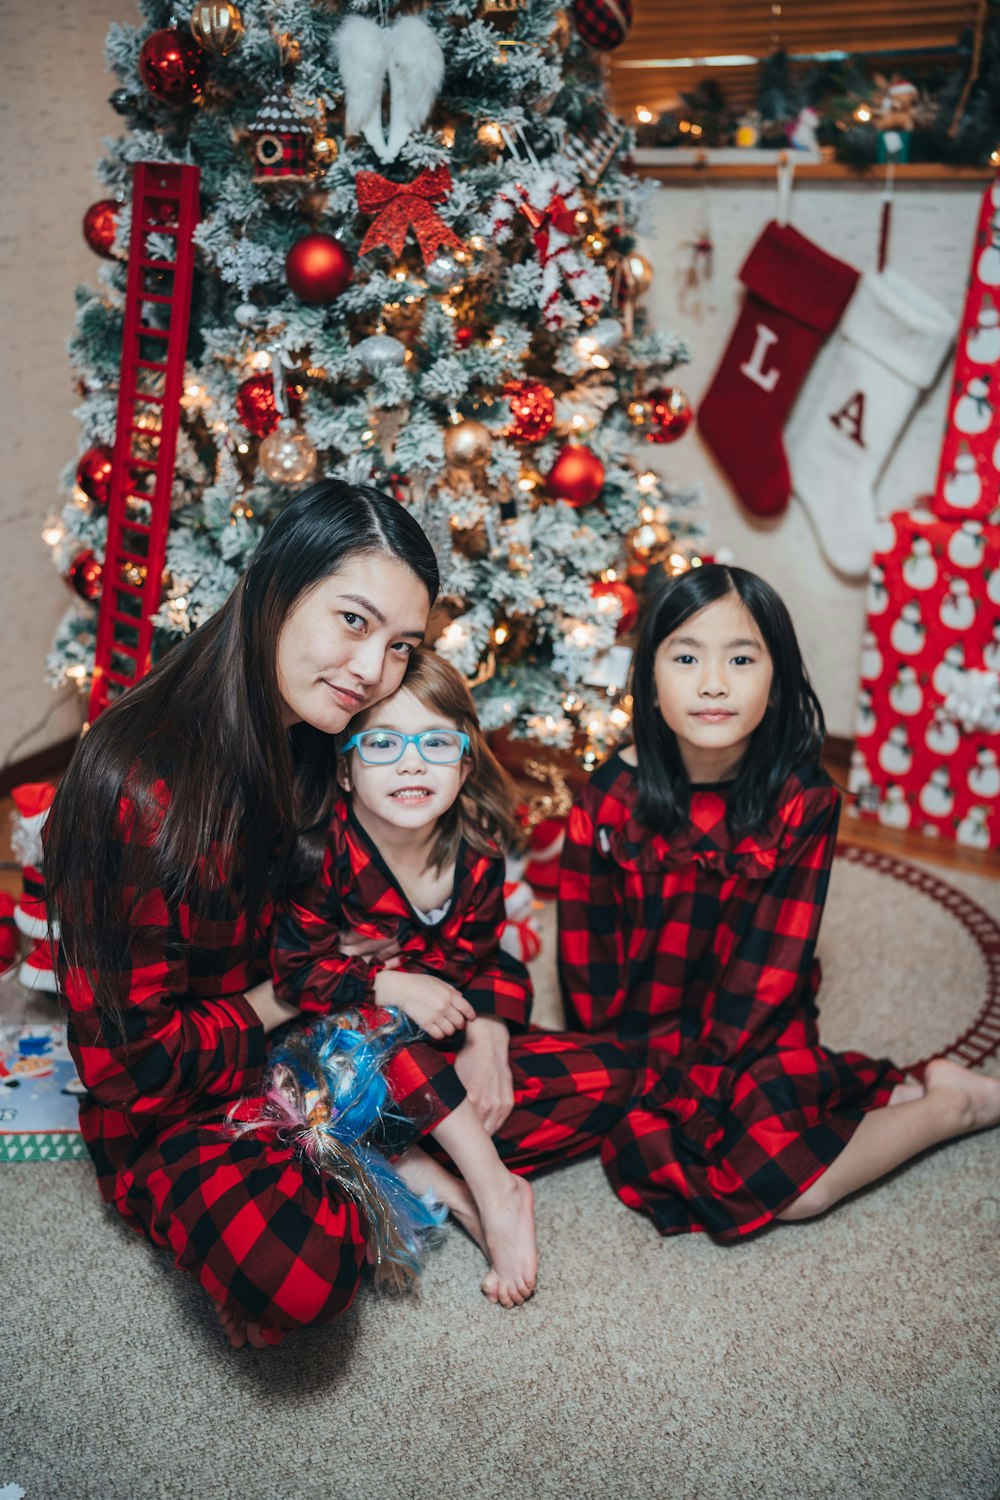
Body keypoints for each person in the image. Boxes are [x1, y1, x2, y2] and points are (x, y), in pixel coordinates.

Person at [46, 480, 443, 1348]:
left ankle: (356, 1145)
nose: (374, 671)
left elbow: (339, 923)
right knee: (301, 1272)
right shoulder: (143, 790)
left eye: (402, 646)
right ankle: (316, 1167)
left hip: (287, 1039)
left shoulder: (310, 733)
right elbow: (129, 1069)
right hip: (169, 1102)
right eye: (353, 620)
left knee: (503, 1066)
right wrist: (284, 998)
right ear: (274, 587)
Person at [558, 563, 1000, 1240]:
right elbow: (587, 960)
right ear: (649, 683)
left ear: (777, 679)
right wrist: (629, 1068)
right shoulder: (610, 797)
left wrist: (706, 1082)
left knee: (783, 1188)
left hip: (754, 1020)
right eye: (685, 657)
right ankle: (908, 1096)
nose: (713, 683)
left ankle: (951, 1108)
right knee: (644, 1149)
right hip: (643, 1029)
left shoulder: (804, 799)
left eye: (741, 657)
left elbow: (771, 965)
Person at [270, 647, 640, 1307]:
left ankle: (432, 1166)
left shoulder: (476, 857)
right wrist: (388, 984)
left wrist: (484, 1036)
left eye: (436, 742)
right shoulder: (320, 853)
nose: (412, 762)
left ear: (466, 763)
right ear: (346, 771)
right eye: (381, 743)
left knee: (612, 1075)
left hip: (430, 1064)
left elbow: (480, 962)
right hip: (329, 1068)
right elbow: (296, 973)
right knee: (380, 1040)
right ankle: (492, 1190)